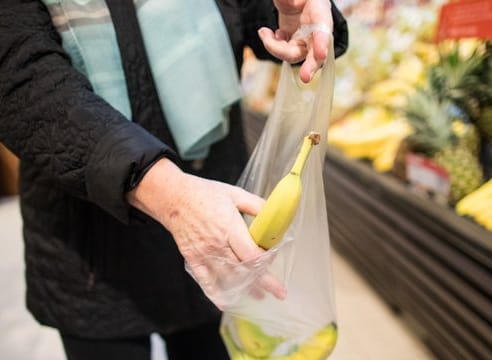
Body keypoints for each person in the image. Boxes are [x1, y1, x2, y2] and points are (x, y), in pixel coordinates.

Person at [0, 0, 348, 359]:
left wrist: (291, 17)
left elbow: (256, 11)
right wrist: (171, 197)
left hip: (216, 221)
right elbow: (20, 74)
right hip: (91, 244)